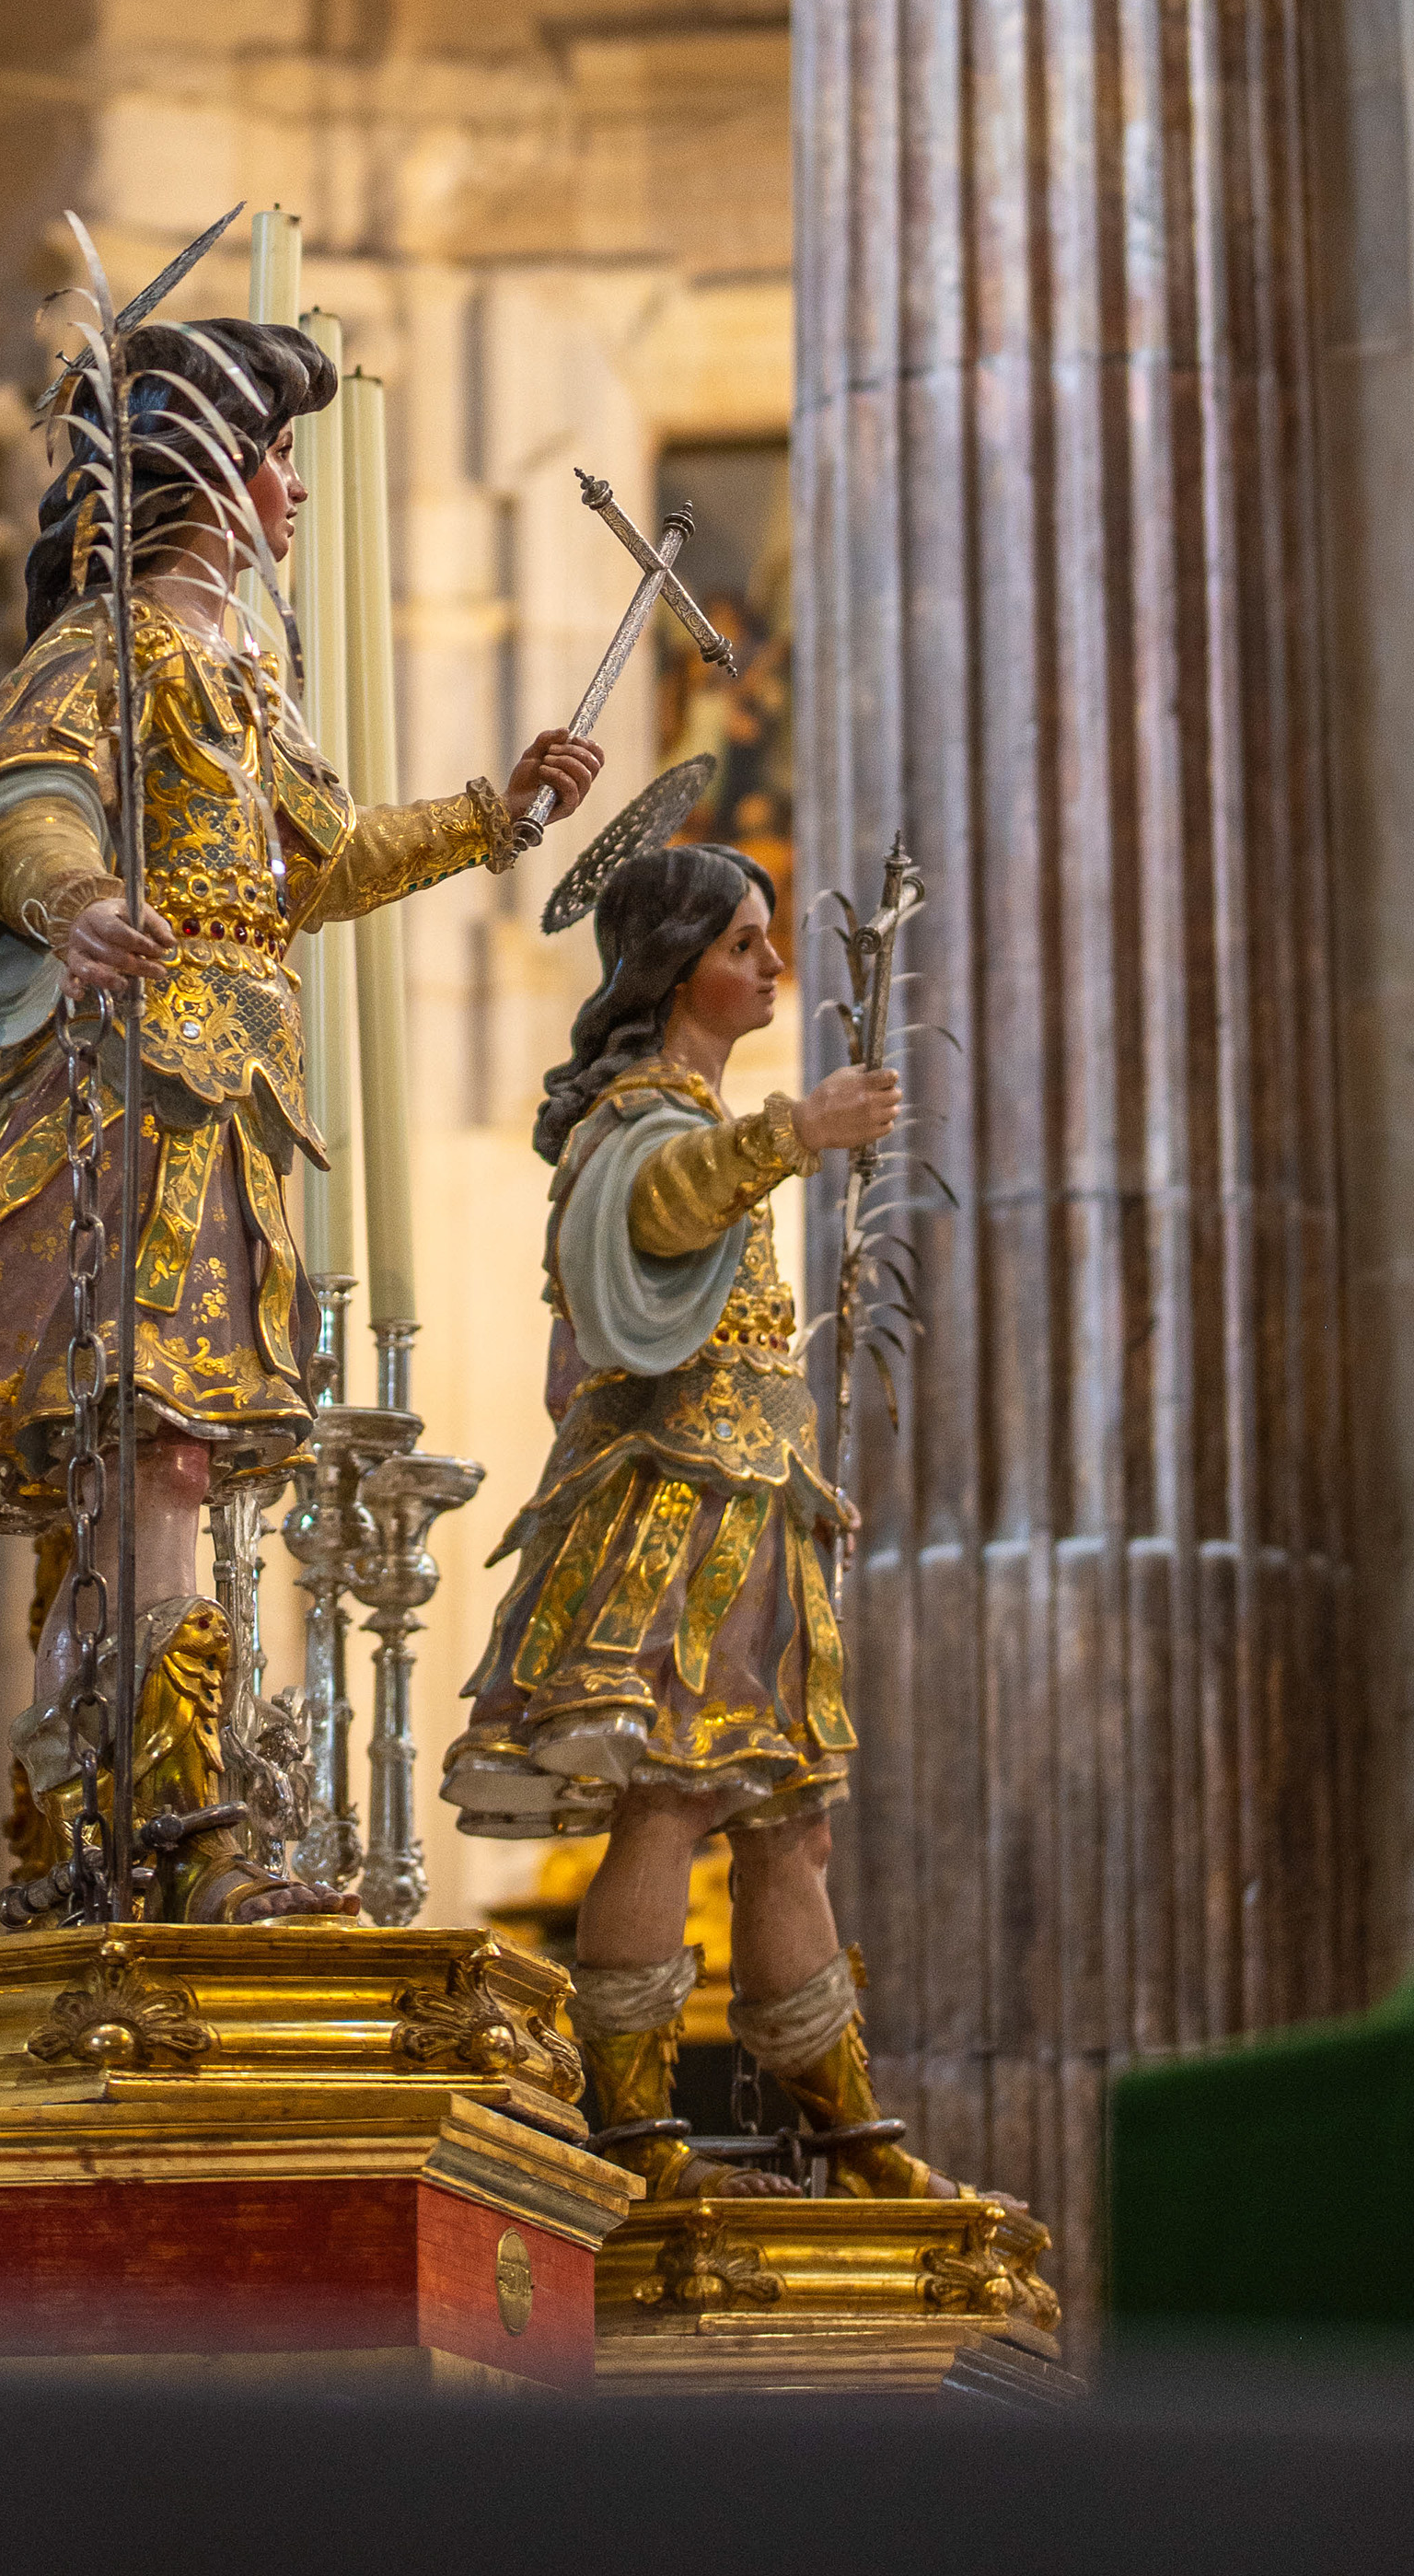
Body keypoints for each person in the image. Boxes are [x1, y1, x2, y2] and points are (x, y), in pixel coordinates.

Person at [0, 310, 601, 1916]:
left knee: (151, 1457)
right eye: (274, 458)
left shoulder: (239, 677)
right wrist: (77, 898)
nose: (292, 493)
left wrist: (494, 811)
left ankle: (118, 1825)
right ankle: (163, 1824)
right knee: (147, 1452)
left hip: (224, 1109)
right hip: (131, 1097)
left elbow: (312, 860)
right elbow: (11, 803)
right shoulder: (115, 648)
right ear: (204, 471)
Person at [442, 839, 953, 2199]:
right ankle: (633, 2131)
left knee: (788, 1821)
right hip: (673, 1503)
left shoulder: (687, 1113)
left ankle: (845, 2131)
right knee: (667, 1803)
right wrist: (797, 1132)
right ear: (673, 968)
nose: (769, 965)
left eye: (767, 941)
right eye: (741, 944)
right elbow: (659, 1210)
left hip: (754, 1501)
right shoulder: (642, 1121)